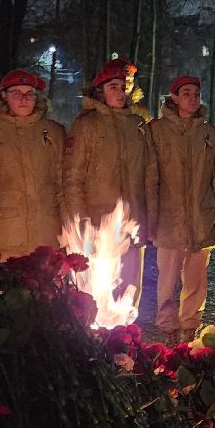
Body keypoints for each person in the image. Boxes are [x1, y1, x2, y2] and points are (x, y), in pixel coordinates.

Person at [63, 57, 156, 308]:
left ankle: (126, 339)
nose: (120, 92)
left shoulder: (138, 125)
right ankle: (95, 341)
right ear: (100, 91)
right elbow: (73, 177)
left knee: (130, 287)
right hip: (97, 221)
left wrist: (150, 218)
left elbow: (150, 174)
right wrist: (79, 219)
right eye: (113, 86)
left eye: (123, 86)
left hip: (133, 222)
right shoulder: (86, 125)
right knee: (97, 287)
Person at [148, 75, 215, 342]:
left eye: (196, 93)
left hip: (200, 218)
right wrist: (150, 217)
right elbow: (150, 177)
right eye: (186, 93)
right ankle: (168, 327)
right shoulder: (156, 131)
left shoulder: (209, 133)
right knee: (167, 279)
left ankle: (190, 324)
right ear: (174, 97)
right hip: (168, 219)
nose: (192, 98)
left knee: (196, 279)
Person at [0, 69, 66, 261]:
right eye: (17, 94)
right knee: (6, 288)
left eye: (29, 94)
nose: (24, 99)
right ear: (3, 96)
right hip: (3, 233)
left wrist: (69, 225)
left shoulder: (53, 131)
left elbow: (62, 181)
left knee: (45, 289)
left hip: (46, 233)